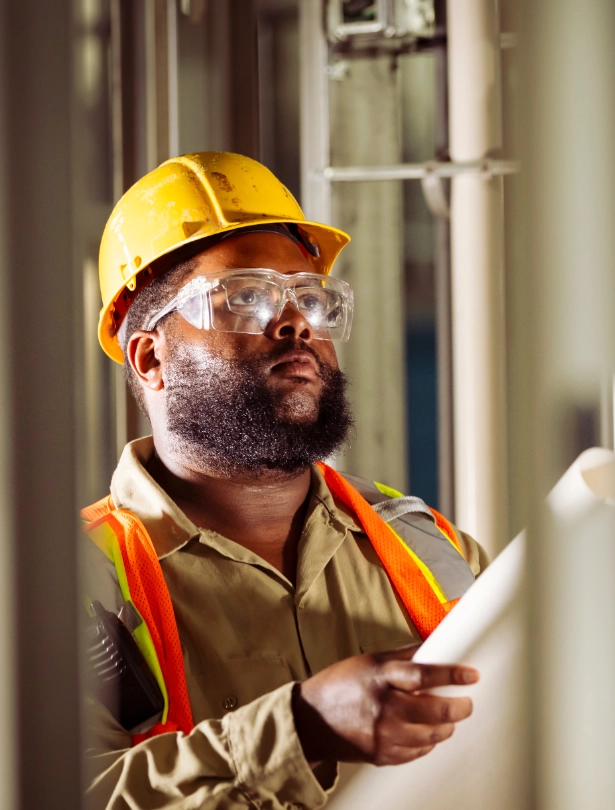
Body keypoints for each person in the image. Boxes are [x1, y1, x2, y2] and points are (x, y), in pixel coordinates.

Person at [81, 152, 488, 809]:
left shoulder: (428, 547)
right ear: (151, 358)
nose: (297, 320)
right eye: (246, 297)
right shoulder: (66, 591)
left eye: (312, 298)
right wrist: (299, 727)